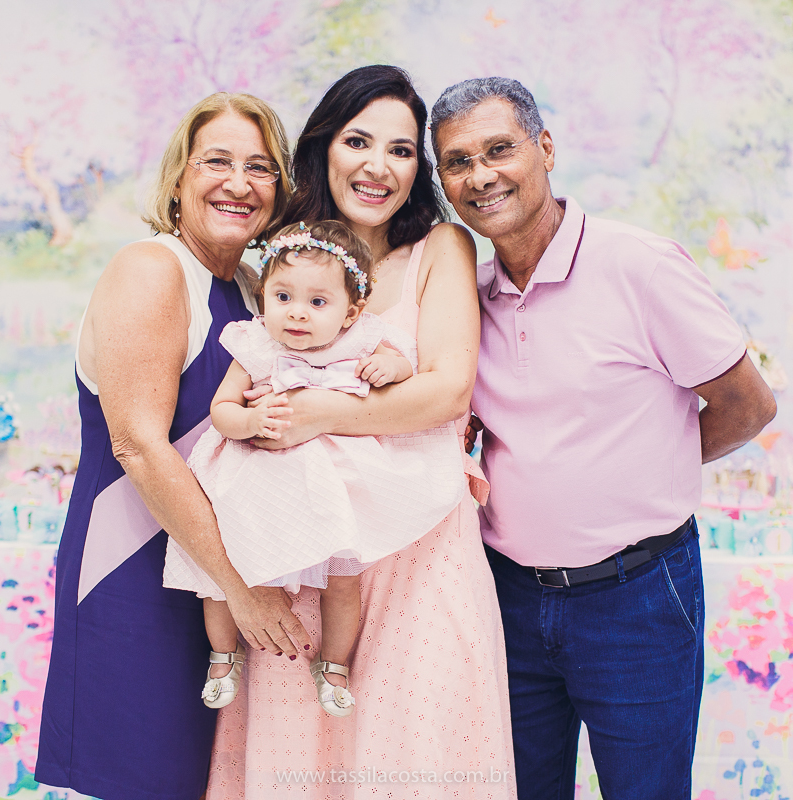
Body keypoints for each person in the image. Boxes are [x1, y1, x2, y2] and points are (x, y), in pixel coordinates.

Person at [429, 77, 778, 800]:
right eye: (457, 162)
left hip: (638, 599)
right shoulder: (470, 295)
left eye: (500, 149)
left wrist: (650, 465)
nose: (481, 176)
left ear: (545, 148)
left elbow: (748, 405)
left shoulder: (639, 265)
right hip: (509, 599)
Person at [206, 65, 516, 799]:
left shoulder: (442, 247)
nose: (379, 165)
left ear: (420, 168)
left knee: (423, 753)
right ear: (325, 147)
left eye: (403, 150)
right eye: (359, 141)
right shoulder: (281, 253)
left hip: (421, 549)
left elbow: (446, 391)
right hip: (305, 548)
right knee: (302, 759)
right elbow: (245, 376)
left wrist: (323, 415)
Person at [35, 92, 314, 800]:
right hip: (136, 579)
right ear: (179, 179)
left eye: (260, 167)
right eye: (216, 160)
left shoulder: (255, 291)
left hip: (210, 590)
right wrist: (241, 587)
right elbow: (138, 445)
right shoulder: (152, 269)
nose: (238, 182)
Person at [162, 219, 466, 718]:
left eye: (317, 303)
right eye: (282, 297)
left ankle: (335, 666)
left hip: (329, 488)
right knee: (223, 572)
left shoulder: (364, 340)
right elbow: (222, 410)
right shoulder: (258, 345)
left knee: (342, 581)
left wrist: (394, 369)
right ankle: (223, 656)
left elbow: (405, 365)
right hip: (257, 478)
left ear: (351, 313)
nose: (296, 314)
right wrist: (248, 418)